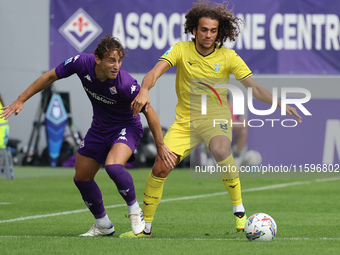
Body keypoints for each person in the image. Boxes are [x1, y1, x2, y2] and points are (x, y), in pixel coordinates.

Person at [120, 0, 302, 238]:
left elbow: (254, 88)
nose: (208, 35)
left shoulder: (228, 57)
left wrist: (280, 102)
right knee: (160, 168)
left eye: (213, 31)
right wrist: (144, 90)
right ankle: (144, 229)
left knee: (220, 148)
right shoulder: (180, 50)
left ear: (220, 32)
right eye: (204, 29)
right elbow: (154, 73)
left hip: (216, 118)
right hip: (185, 122)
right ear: (194, 29)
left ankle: (239, 211)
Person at [0, 34, 175, 236]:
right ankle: (103, 225)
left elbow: (150, 112)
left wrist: (161, 146)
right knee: (81, 178)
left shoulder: (125, 84)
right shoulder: (81, 63)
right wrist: (21, 99)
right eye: (111, 60)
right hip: (99, 128)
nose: (116, 66)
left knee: (113, 166)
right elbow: (50, 77)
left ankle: (135, 211)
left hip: (126, 126)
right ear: (97, 59)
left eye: (119, 61)